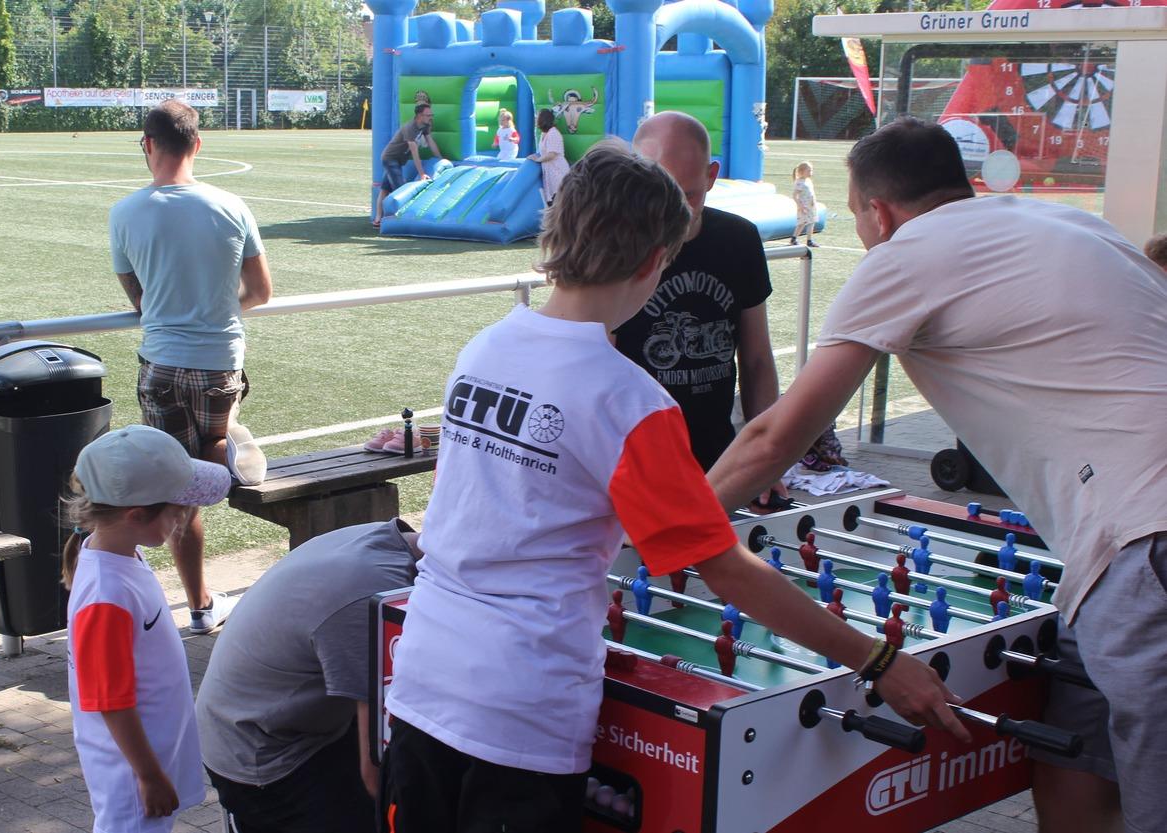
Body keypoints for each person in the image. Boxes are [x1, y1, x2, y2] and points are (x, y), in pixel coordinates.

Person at [382, 139, 969, 833]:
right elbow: (724, 567)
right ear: (654, 262)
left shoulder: (483, 348)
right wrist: (877, 659)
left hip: (422, 678)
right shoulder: (628, 402)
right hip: (521, 709)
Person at [705, 116, 1167, 833]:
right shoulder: (1075, 225)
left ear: (878, 213)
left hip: (1144, 546)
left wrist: (665, 529)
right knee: (1071, 762)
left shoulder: (902, 255)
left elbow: (774, 438)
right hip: (1105, 558)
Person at [110, 99, 273, 634]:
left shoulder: (125, 212)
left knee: (177, 489)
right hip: (219, 363)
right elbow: (260, 292)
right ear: (197, 144)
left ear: (147, 145)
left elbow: (139, 300)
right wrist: (219, 308)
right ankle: (227, 453)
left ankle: (199, 606)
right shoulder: (231, 206)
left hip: (161, 365)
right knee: (210, 444)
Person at [60, 424, 234, 833]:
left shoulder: (121, 554)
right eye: (178, 510)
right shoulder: (106, 595)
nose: (184, 518)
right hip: (132, 775)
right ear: (136, 514)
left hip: (148, 756)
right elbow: (110, 701)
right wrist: (149, 776)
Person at [196, 519, 422, 833]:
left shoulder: (386, 539)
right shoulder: (375, 600)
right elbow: (376, 775)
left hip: (256, 722)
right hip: (262, 755)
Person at [617, 112, 782, 506]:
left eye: (687, 197)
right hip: (634, 472)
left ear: (711, 176)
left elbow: (757, 359)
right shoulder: (617, 246)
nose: (671, 214)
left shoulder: (739, 239)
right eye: (660, 195)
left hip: (717, 467)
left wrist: (766, 461)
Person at [374, 103, 443, 227]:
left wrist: (440, 159)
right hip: (390, 158)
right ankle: (396, 220)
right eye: (428, 115)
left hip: (398, 161)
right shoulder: (410, 128)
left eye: (431, 115)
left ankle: (378, 219)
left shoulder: (425, 126)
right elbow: (414, 152)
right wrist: (422, 174)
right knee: (400, 189)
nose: (431, 117)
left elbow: (430, 141)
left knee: (385, 189)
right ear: (419, 116)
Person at [528, 107, 570, 205]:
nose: (535, 119)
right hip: (550, 174)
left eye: (537, 117)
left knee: (560, 200)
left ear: (543, 119)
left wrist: (538, 160)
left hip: (558, 172)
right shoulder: (544, 134)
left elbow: (552, 154)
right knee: (553, 201)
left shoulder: (553, 133)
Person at [790, 161, 819, 247]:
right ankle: (798, 239)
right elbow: (795, 196)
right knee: (803, 223)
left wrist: (813, 201)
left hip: (810, 206)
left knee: (810, 222)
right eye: (809, 171)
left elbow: (811, 193)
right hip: (804, 207)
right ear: (802, 171)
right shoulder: (799, 182)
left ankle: (803, 239)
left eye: (811, 170)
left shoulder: (808, 181)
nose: (811, 172)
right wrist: (800, 206)